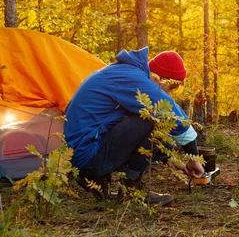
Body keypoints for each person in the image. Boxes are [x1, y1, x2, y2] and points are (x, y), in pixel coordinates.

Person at [64, 47, 205, 205]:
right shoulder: (131, 78)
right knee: (150, 120)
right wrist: (193, 157)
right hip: (87, 155)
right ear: (160, 78)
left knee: (150, 119)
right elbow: (171, 113)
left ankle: (102, 179)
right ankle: (131, 192)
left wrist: (170, 158)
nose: (169, 94)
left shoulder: (125, 72)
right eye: (171, 87)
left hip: (83, 150)